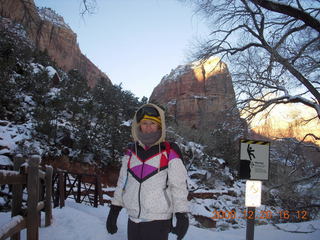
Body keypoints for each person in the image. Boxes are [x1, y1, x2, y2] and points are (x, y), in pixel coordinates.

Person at [106, 103, 189, 240]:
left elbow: (178, 186)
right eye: (144, 123)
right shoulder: (131, 152)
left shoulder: (169, 151)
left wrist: (182, 214)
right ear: (138, 126)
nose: (148, 127)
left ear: (159, 126)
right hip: (133, 220)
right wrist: (114, 210)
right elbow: (123, 183)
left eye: (152, 123)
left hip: (158, 222)